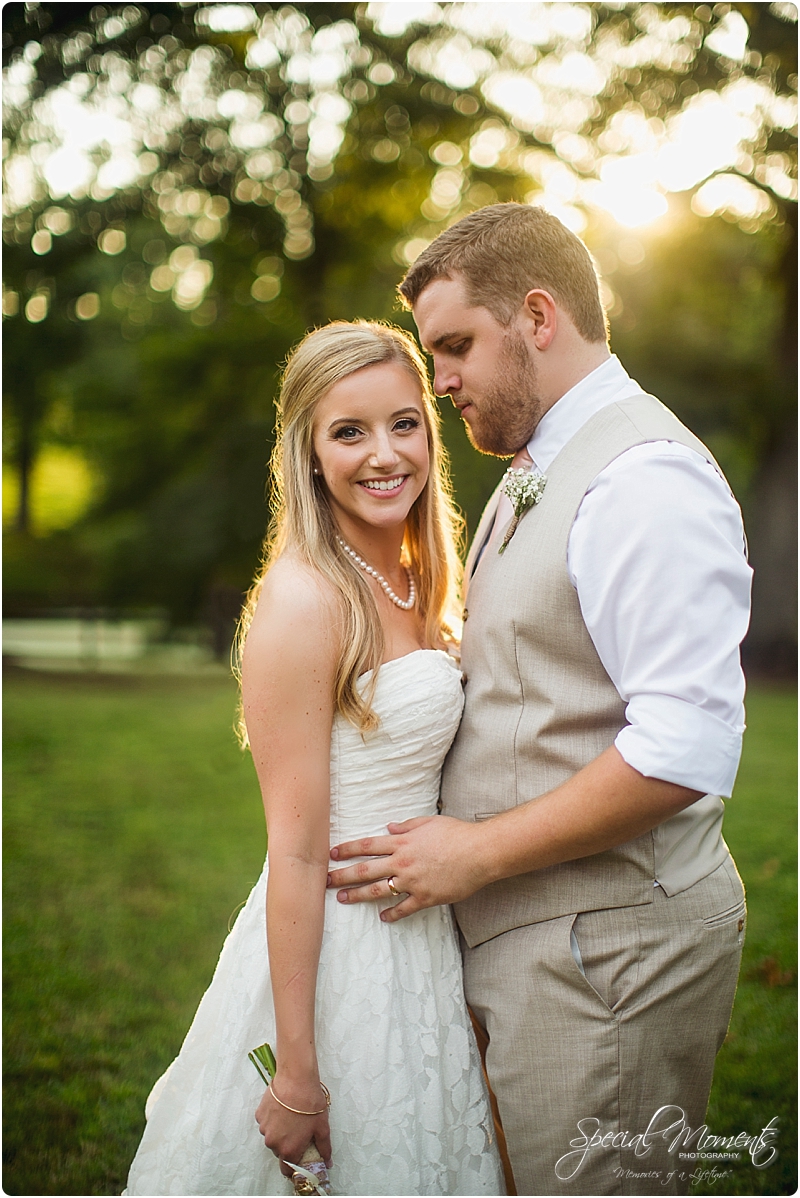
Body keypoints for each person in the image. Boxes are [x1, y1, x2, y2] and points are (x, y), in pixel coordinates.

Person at [327, 204, 752, 1196]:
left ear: (536, 314)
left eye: (454, 347)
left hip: (606, 964)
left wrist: (471, 852)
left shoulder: (641, 482)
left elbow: (682, 748)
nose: (439, 384)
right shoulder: (544, 469)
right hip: (544, 952)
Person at [123, 321, 505, 1197]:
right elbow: (294, 851)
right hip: (338, 955)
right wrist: (298, 1071)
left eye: (404, 424)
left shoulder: (416, 575)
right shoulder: (304, 600)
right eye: (349, 431)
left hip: (425, 941)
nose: (385, 455)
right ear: (308, 451)